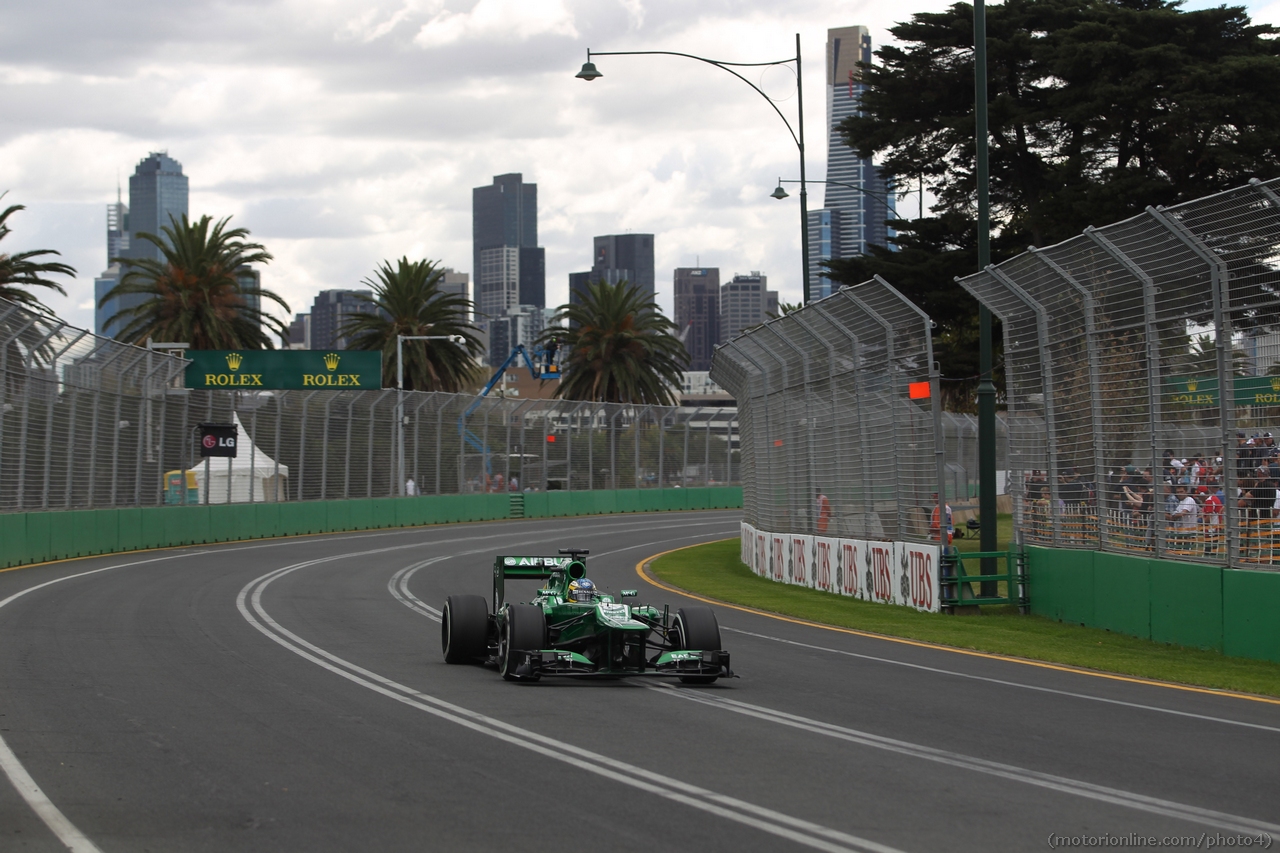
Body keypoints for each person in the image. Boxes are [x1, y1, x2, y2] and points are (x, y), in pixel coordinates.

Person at [1166, 485, 1199, 554]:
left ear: (1186, 492)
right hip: (1181, 532)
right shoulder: (1181, 502)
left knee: (1185, 553)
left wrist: (1173, 516)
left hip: (1188, 533)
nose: (1179, 493)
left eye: (1181, 491)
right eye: (1178, 492)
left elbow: (1182, 513)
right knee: (1179, 553)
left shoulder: (1189, 500)